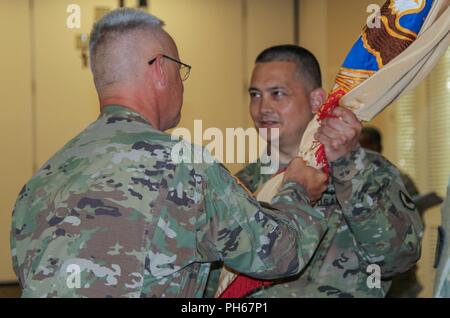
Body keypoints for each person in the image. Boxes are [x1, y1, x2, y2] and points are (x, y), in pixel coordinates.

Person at [10, 9, 330, 298]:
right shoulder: (182, 167)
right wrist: (298, 191)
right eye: (180, 69)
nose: (182, 83)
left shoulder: (40, 181)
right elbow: (279, 254)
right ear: (161, 69)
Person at [208, 45, 424, 298]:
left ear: (316, 100)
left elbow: (398, 259)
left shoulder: (367, 171)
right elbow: (213, 283)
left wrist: (347, 169)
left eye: (277, 94)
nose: (262, 108)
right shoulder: (241, 184)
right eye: (255, 95)